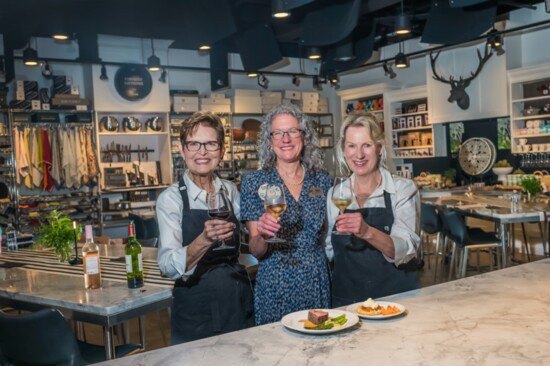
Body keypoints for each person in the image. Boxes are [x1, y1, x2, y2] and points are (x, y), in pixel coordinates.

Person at [157, 111, 254, 344]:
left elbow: (253, 230)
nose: (202, 152)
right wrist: (204, 240)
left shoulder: (230, 190)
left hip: (236, 302)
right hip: (196, 309)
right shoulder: (171, 199)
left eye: (210, 144)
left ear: (221, 151)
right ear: (182, 150)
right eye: (193, 144)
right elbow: (168, 266)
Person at [240, 104, 332, 325]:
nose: (286, 139)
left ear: (304, 136)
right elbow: (256, 250)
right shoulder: (254, 183)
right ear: (269, 141)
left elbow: (328, 236)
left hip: (315, 277)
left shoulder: (322, 180)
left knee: (319, 348)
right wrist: (261, 235)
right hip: (275, 280)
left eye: (292, 131)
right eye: (278, 133)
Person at [326, 111, 420, 308]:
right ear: (343, 149)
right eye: (351, 146)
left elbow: (405, 250)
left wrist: (367, 232)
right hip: (346, 301)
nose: (358, 154)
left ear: (379, 148)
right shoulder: (335, 194)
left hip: (394, 300)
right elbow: (329, 250)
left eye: (366, 145)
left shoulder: (403, 190)